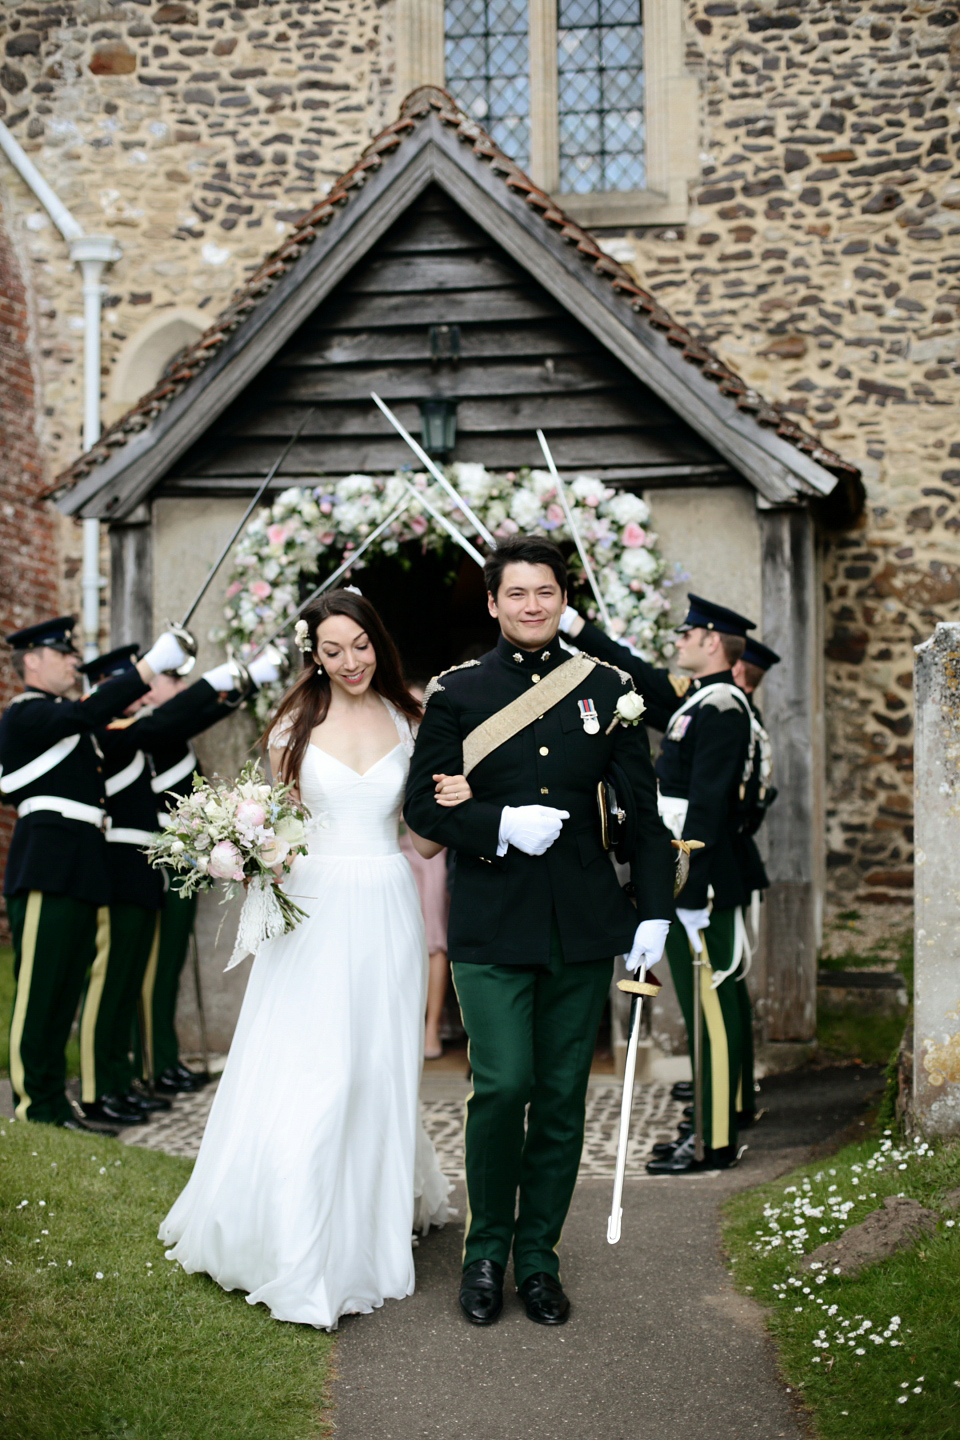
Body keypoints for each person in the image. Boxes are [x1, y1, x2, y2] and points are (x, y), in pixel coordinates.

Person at [159, 591, 463, 1329]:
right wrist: (242, 848)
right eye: (334, 650)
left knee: (376, 1063)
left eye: (360, 645)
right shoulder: (294, 725)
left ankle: (369, 1216)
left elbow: (420, 842)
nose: (351, 661)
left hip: (386, 898)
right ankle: (301, 1235)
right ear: (314, 655)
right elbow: (281, 826)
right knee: (318, 1066)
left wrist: (453, 801)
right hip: (313, 907)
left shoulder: (411, 721)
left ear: (376, 644)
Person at [404, 535, 675, 1328]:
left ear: (563, 600)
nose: (531, 606)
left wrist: (652, 910)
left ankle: (539, 1260)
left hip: (584, 926)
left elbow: (645, 815)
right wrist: (495, 824)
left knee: (560, 1100)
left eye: (544, 593)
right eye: (515, 593)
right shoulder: (459, 693)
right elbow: (422, 808)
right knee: (504, 1087)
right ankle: (485, 1254)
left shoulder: (608, 687)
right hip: (491, 924)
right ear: (493, 603)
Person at [561, 602, 776, 1143]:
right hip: (693, 869)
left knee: (712, 996)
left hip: (696, 874)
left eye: (687, 634)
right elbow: (640, 677)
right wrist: (576, 628)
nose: (678, 640)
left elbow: (706, 805)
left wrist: (688, 883)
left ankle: (714, 1135)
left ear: (711, 641)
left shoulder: (721, 706)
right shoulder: (703, 700)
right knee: (716, 993)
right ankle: (727, 1109)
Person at [77, 645, 279, 1129]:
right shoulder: (115, 729)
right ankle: (119, 1077)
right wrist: (230, 678)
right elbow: (169, 722)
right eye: (163, 678)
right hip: (124, 864)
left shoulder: (146, 728)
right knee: (125, 979)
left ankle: (131, 1076)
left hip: (149, 865)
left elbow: (182, 719)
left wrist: (240, 685)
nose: (166, 688)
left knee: (146, 974)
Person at [0, 617, 190, 1130]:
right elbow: (90, 710)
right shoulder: (26, 714)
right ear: (31, 662)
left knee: (64, 995)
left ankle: (57, 1105)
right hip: (47, 864)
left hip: (82, 865)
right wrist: (150, 665)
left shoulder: (68, 720)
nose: (71, 662)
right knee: (40, 992)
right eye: (60, 653)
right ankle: (35, 1104)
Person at [141, 652, 281, 1098]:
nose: (180, 690)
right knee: (155, 970)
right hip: (156, 864)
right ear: (146, 689)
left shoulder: (170, 723)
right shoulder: (152, 725)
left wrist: (249, 683)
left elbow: (205, 710)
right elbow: (190, 713)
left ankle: (165, 1060)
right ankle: (152, 1060)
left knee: (171, 965)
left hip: (182, 860)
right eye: (170, 681)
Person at [399, 683, 450, 1060]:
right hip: (391, 850)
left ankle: (431, 1027)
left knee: (434, 941)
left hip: (428, 852)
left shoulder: (439, 746)